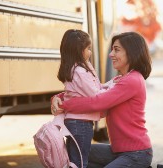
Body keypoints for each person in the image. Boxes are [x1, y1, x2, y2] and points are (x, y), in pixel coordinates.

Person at [51, 32, 153, 168]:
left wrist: (64, 105)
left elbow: (96, 102)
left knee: (79, 156)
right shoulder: (119, 79)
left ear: (131, 52)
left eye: (116, 50)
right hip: (118, 151)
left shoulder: (132, 80)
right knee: (73, 154)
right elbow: (90, 90)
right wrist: (58, 97)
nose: (111, 55)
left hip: (137, 154)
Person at [54, 29, 113, 168]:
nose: (91, 52)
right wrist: (114, 89)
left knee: (74, 161)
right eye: (88, 48)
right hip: (81, 123)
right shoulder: (80, 71)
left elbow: (96, 87)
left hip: (75, 122)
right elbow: (95, 95)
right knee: (80, 162)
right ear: (78, 50)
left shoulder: (74, 69)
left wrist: (111, 84)